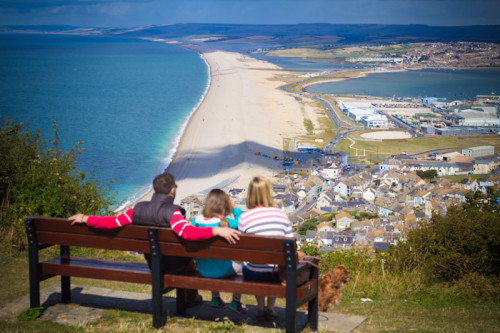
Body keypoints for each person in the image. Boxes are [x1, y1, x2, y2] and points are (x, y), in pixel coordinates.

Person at [70, 172, 240, 307]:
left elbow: (112, 222)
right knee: (190, 262)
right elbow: (188, 233)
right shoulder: (173, 212)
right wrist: (215, 230)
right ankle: (190, 299)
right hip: (176, 265)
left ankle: (175, 289)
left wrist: (85, 218)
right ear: (172, 190)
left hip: (154, 263)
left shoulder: (138, 209)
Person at [238, 176, 293, 321]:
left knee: (255, 264)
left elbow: (242, 247)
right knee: (274, 264)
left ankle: (261, 308)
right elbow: (291, 243)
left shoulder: (244, 217)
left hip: (254, 273)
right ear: (269, 193)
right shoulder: (281, 214)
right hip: (276, 274)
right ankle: (270, 308)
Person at [191, 189, 247, 315]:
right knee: (242, 269)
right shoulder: (226, 223)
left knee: (212, 260)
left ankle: (215, 298)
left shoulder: (197, 221)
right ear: (224, 206)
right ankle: (235, 302)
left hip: (202, 269)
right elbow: (241, 222)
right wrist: (235, 208)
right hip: (223, 270)